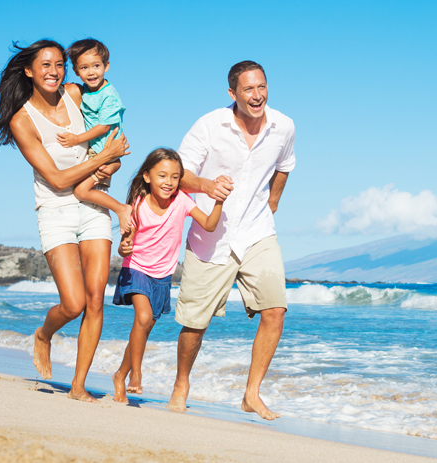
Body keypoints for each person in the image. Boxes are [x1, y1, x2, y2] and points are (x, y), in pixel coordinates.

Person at [0, 39, 130, 402]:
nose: (54, 71)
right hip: (55, 210)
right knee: (74, 303)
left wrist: (111, 158)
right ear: (29, 70)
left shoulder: (75, 94)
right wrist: (104, 157)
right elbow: (59, 180)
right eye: (45, 65)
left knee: (95, 301)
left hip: (92, 206)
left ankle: (78, 386)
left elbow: (111, 128)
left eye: (60, 64)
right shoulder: (22, 121)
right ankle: (44, 335)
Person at [166, 60, 295, 420]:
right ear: (232, 93)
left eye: (262, 87)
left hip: (257, 231)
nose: (257, 96)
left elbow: (285, 166)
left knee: (275, 311)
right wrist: (207, 186)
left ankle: (251, 394)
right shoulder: (209, 126)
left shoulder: (283, 126)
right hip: (212, 233)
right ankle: (181, 384)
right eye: (249, 89)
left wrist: (271, 205)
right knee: (195, 321)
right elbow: (179, 173)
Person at [112, 148, 225, 401]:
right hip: (137, 268)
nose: (169, 182)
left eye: (175, 177)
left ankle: (120, 374)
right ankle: (136, 376)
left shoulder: (182, 201)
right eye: (162, 175)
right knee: (142, 318)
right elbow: (124, 244)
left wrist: (219, 201)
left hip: (163, 276)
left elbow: (208, 225)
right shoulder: (137, 206)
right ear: (147, 176)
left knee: (144, 328)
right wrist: (122, 247)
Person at [56, 38, 131, 234]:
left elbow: (104, 127)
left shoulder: (109, 96)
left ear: (106, 66)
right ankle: (114, 165)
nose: (91, 72)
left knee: (81, 191)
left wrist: (76, 139)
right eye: (84, 68)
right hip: (99, 151)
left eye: (96, 66)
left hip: (103, 149)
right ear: (76, 70)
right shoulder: (88, 91)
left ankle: (121, 209)